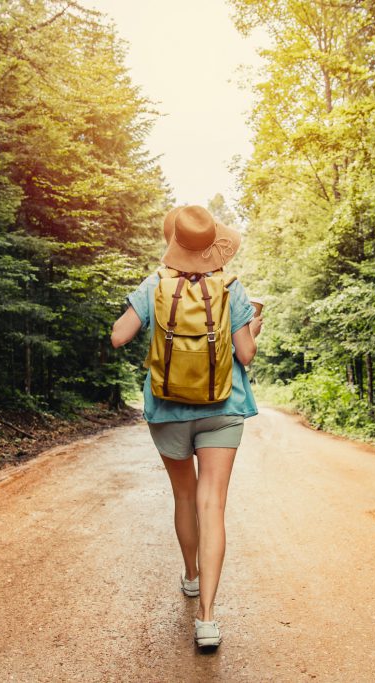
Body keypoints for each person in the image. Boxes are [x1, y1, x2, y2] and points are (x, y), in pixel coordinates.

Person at [110, 205, 263, 650]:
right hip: (224, 406)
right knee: (211, 504)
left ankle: (191, 576)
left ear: (174, 243)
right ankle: (208, 618)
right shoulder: (231, 288)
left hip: (167, 405)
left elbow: (119, 336)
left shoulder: (155, 284)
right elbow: (246, 355)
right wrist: (252, 325)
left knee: (184, 495)